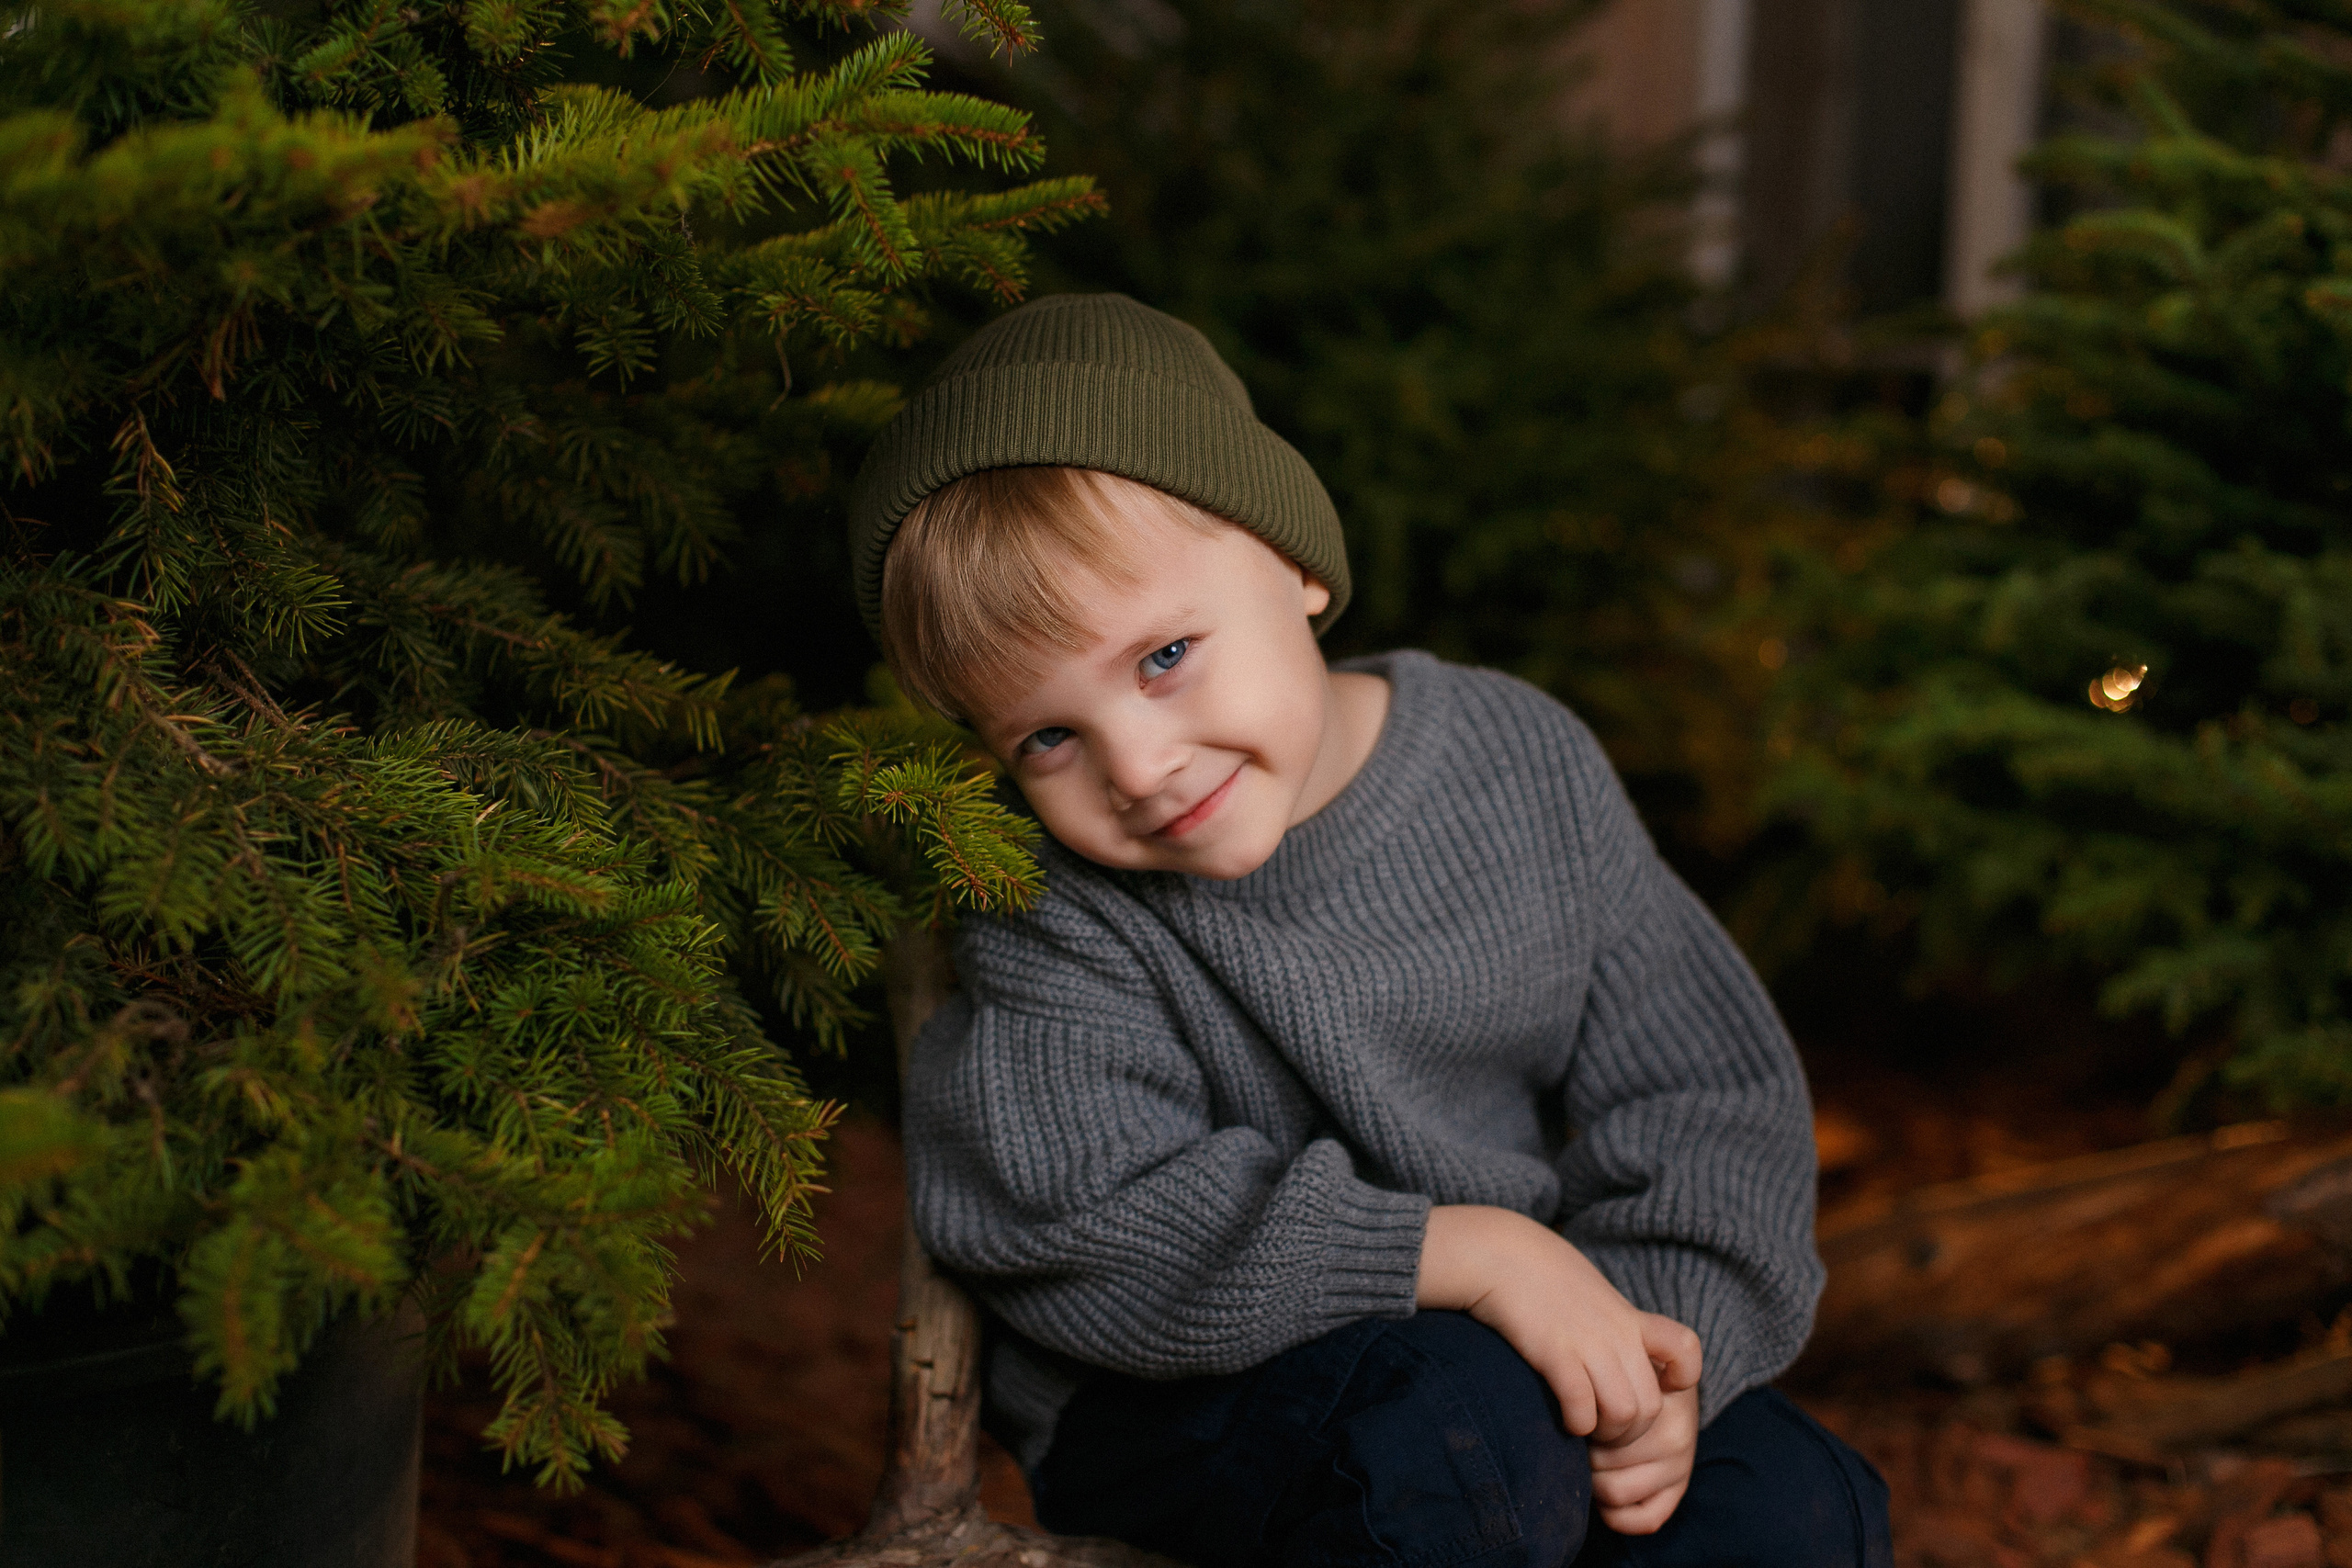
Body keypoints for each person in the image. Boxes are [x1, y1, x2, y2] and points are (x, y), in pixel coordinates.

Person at [846, 293, 1892, 1567]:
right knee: (1461, 1436)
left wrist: (1653, 1355)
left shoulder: (1515, 766)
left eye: (1164, 657)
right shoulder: (1056, 908)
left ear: (1295, 565)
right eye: (1048, 737)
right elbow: (1081, 1218)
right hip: (1181, 1396)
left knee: (1795, 1503)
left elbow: (1703, 1094)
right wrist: (1463, 1253)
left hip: (1515, 1351)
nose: (1138, 766)